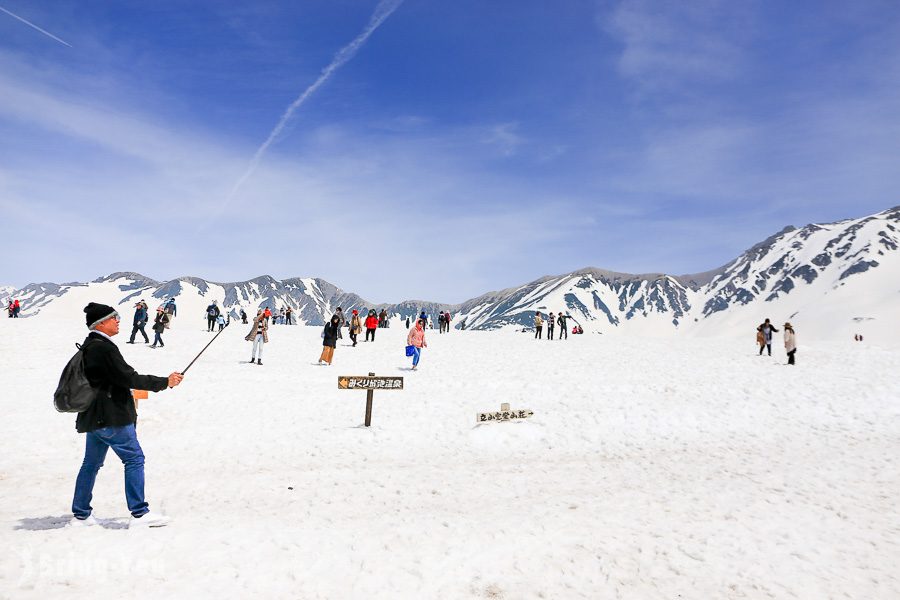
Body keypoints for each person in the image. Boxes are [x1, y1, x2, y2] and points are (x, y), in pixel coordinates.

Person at [70, 302, 183, 528]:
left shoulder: (91, 345)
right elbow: (129, 378)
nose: (119, 320)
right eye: (114, 317)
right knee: (134, 459)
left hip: (94, 417)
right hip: (111, 418)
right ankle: (140, 513)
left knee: (90, 464)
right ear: (100, 323)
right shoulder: (103, 348)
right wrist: (165, 382)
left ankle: (81, 515)